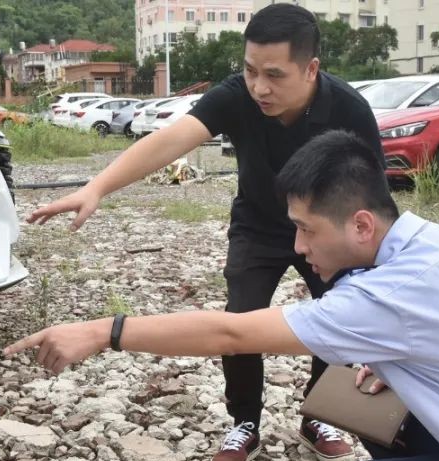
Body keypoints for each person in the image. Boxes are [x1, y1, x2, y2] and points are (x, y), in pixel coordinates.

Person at [7, 130, 439, 461]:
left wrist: (103, 331)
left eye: (306, 229)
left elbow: (232, 332)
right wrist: (408, 359)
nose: (298, 247)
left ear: (361, 224)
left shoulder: (386, 298)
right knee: (379, 413)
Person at [26, 4, 380, 460]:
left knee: (339, 314)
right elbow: (171, 140)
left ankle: (319, 415)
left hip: (325, 231)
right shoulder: (236, 96)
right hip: (257, 226)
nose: (259, 87)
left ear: (311, 69)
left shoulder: (349, 109)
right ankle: (244, 423)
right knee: (240, 317)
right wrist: (96, 187)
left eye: (274, 75)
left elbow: (372, 198)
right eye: (250, 70)